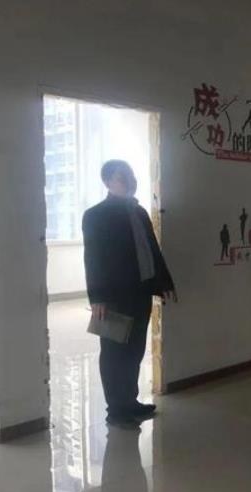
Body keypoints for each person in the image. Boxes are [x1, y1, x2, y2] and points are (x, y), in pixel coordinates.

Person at [83, 160, 177, 429]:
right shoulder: (96, 215)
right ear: (107, 182)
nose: (128, 180)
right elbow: (92, 258)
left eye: (130, 175)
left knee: (135, 350)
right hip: (113, 297)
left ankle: (130, 402)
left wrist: (164, 281)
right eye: (121, 176)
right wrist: (97, 298)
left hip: (140, 292)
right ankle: (116, 410)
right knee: (114, 354)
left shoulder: (138, 212)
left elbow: (151, 250)